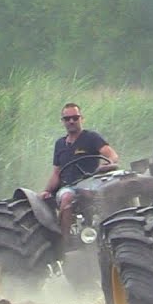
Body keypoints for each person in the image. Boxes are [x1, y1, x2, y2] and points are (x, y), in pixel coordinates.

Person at [42, 102, 120, 242]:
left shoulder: (91, 138)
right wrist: (46, 191)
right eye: (67, 118)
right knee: (67, 197)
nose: (71, 121)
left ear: (81, 119)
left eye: (75, 117)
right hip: (68, 187)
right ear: (63, 122)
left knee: (109, 193)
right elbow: (56, 173)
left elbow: (112, 155)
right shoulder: (60, 144)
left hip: (91, 183)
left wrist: (109, 164)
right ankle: (64, 243)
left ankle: (109, 233)